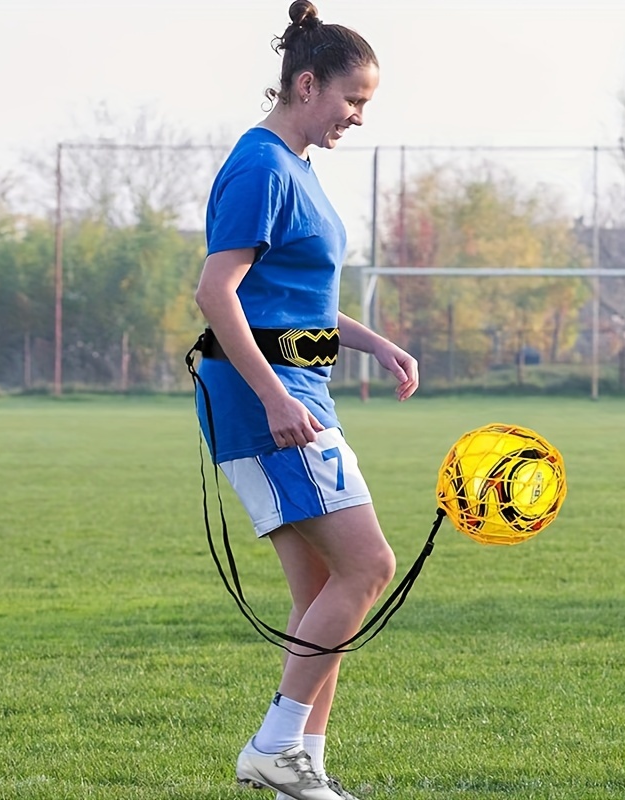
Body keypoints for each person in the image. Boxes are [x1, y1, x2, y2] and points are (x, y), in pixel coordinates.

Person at [193, 2, 419, 798]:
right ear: (305, 83)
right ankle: (274, 746)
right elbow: (216, 293)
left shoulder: (295, 167)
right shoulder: (260, 165)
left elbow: (301, 300)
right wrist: (276, 399)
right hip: (273, 401)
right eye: (352, 100)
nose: (358, 117)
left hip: (296, 388)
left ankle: (302, 769)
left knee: (324, 595)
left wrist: (377, 343)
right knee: (369, 566)